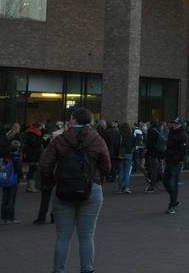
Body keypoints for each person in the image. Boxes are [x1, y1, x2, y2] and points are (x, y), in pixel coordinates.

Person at [40, 108, 110, 273]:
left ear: (73, 120)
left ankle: (59, 270)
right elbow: (106, 165)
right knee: (86, 236)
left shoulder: (60, 139)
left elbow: (45, 165)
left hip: (63, 190)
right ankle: (87, 269)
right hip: (91, 189)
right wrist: (98, 179)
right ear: (90, 121)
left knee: (63, 237)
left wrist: (52, 182)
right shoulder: (97, 139)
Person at [164, 118, 188, 214]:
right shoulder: (171, 133)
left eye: (176, 124)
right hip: (168, 160)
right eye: (173, 123)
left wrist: (178, 159)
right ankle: (174, 199)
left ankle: (172, 204)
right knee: (165, 181)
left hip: (176, 162)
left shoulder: (183, 135)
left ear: (180, 125)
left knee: (173, 183)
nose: (174, 125)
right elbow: (168, 146)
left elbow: (183, 150)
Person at [0, 140, 24, 224]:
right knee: (11, 200)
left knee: (5, 199)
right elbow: (19, 171)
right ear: (18, 149)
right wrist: (21, 176)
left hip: (4, 179)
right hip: (12, 180)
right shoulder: (16, 158)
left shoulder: (5, 157)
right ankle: (10, 218)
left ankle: (3, 217)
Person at [23, 122, 44, 193]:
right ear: (38, 127)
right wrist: (42, 140)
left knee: (32, 169)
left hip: (32, 154)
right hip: (33, 154)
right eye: (41, 127)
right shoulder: (34, 134)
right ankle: (31, 187)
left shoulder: (31, 133)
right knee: (33, 170)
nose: (42, 128)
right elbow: (35, 143)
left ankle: (29, 186)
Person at [117, 122, 135, 193]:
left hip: (121, 154)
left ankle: (120, 189)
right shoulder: (132, 136)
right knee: (127, 172)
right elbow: (134, 145)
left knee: (121, 172)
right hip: (129, 154)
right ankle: (127, 188)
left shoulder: (120, 135)